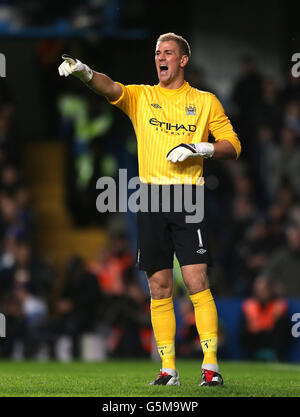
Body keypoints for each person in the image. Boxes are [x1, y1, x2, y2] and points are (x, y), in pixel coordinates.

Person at [58, 32, 241, 386]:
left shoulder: (205, 101)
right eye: (157, 52)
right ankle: (168, 368)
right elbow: (110, 88)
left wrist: (199, 149)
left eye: (168, 52)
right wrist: (83, 71)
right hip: (153, 200)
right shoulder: (143, 96)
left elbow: (233, 146)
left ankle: (210, 366)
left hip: (188, 197)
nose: (161, 57)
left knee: (195, 280)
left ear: (183, 60)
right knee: (158, 286)